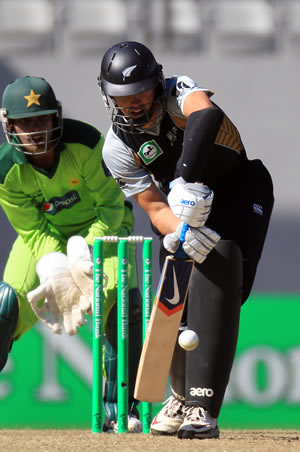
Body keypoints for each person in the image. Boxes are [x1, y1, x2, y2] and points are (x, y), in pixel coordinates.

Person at [98, 41, 274, 440]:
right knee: (177, 296)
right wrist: (181, 230)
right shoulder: (116, 147)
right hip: (180, 211)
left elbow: (205, 113)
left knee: (225, 272)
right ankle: (184, 399)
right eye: (121, 97)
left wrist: (187, 180)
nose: (134, 103)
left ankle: (203, 403)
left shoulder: (179, 92)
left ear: (157, 82)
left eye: (141, 90)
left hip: (241, 191)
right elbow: (153, 207)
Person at [0, 75, 143, 433]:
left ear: (55, 118)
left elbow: (111, 207)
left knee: (118, 298)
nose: (35, 130)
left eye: (41, 119)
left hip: (103, 231)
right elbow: (32, 229)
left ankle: (120, 409)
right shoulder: (6, 171)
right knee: (5, 305)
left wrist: (83, 249)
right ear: (9, 124)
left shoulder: (87, 143)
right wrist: (55, 266)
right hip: (44, 239)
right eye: (25, 122)